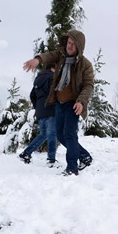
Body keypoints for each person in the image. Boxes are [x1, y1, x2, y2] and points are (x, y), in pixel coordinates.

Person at [22, 30, 94, 176]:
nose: (70, 46)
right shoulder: (61, 57)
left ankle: (72, 168)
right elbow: (49, 56)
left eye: (74, 44)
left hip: (73, 104)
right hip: (59, 103)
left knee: (69, 134)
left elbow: (88, 85)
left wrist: (81, 101)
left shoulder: (85, 65)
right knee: (60, 135)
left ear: (80, 46)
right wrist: (37, 60)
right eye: (69, 43)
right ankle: (84, 156)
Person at [18, 64, 60, 168]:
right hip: (51, 109)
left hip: (41, 112)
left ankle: (26, 153)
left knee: (44, 134)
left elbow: (32, 95)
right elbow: (56, 93)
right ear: (52, 68)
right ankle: (51, 160)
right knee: (52, 135)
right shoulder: (52, 78)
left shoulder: (38, 79)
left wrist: (38, 107)